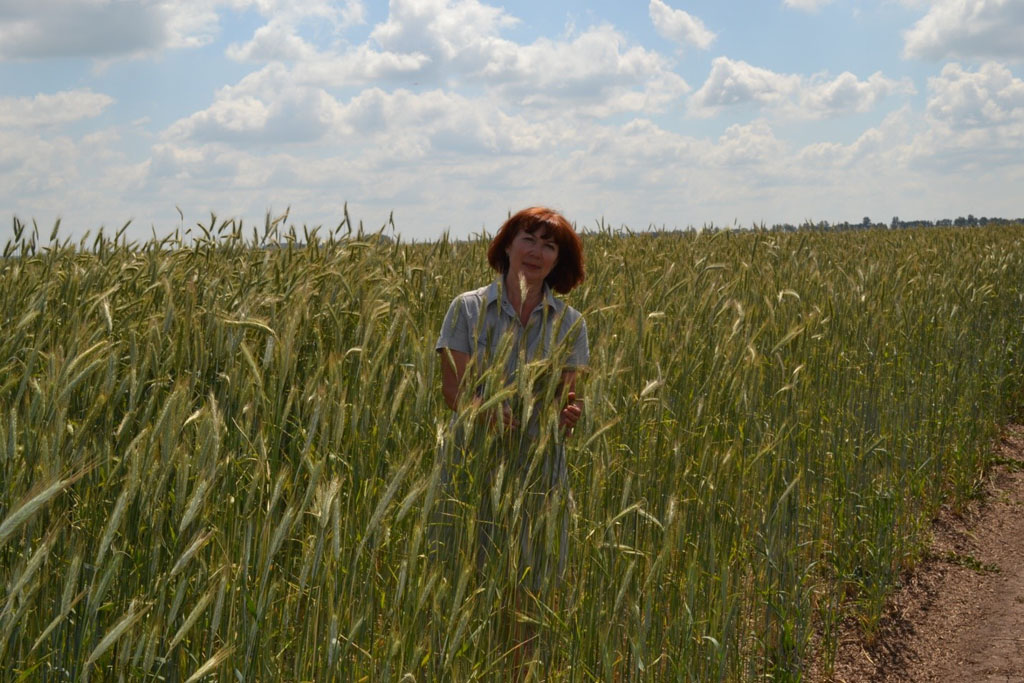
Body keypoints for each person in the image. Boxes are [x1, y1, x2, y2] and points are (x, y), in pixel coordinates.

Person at [434, 206, 588, 596]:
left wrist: (569, 414)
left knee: (533, 588)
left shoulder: (571, 324)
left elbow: (567, 398)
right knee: (466, 583)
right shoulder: (467, 309)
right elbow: (453, 391)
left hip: (540, 472)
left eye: (549, 245)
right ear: (506, 247)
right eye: (528, 239)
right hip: (473, 464)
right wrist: (484, 412)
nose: (537, 251)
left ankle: (521, 659)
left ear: (558, 261)